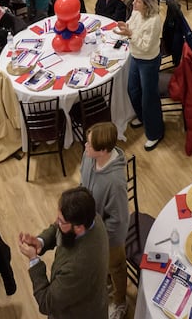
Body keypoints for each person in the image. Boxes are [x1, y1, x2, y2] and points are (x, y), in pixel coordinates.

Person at [19, 187, 109, 319]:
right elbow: (59, 228)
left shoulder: (77, 267)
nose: (57, 222)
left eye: (61, 221)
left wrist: (34, 261)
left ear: (79, 227)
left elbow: (46, 302)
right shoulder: (91, 217)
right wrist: (41, 241)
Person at [79, 123, 130, 319]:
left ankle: (120, 302)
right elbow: (83, 182)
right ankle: (107, 280)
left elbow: (118, 221)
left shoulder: (115, 183)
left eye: (90, 145)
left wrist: (97, 237)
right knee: (103, 264)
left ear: (103, 151)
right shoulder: (89, 156)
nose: (85, 146)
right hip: (92, 227)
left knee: (116, 267)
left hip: (110, 236)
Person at [117, 0, 165, 151]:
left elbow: (145, 46)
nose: (134, 3)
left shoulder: (154, 21)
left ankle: (155, 133)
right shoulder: (137, 12)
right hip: (135, 57)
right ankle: (143, 118)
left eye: (137, 1)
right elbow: (131, 24)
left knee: (149, 98)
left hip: (148, 61)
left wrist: (130, 33)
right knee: (133, 90)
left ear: (146, 4)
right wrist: (125, 28)